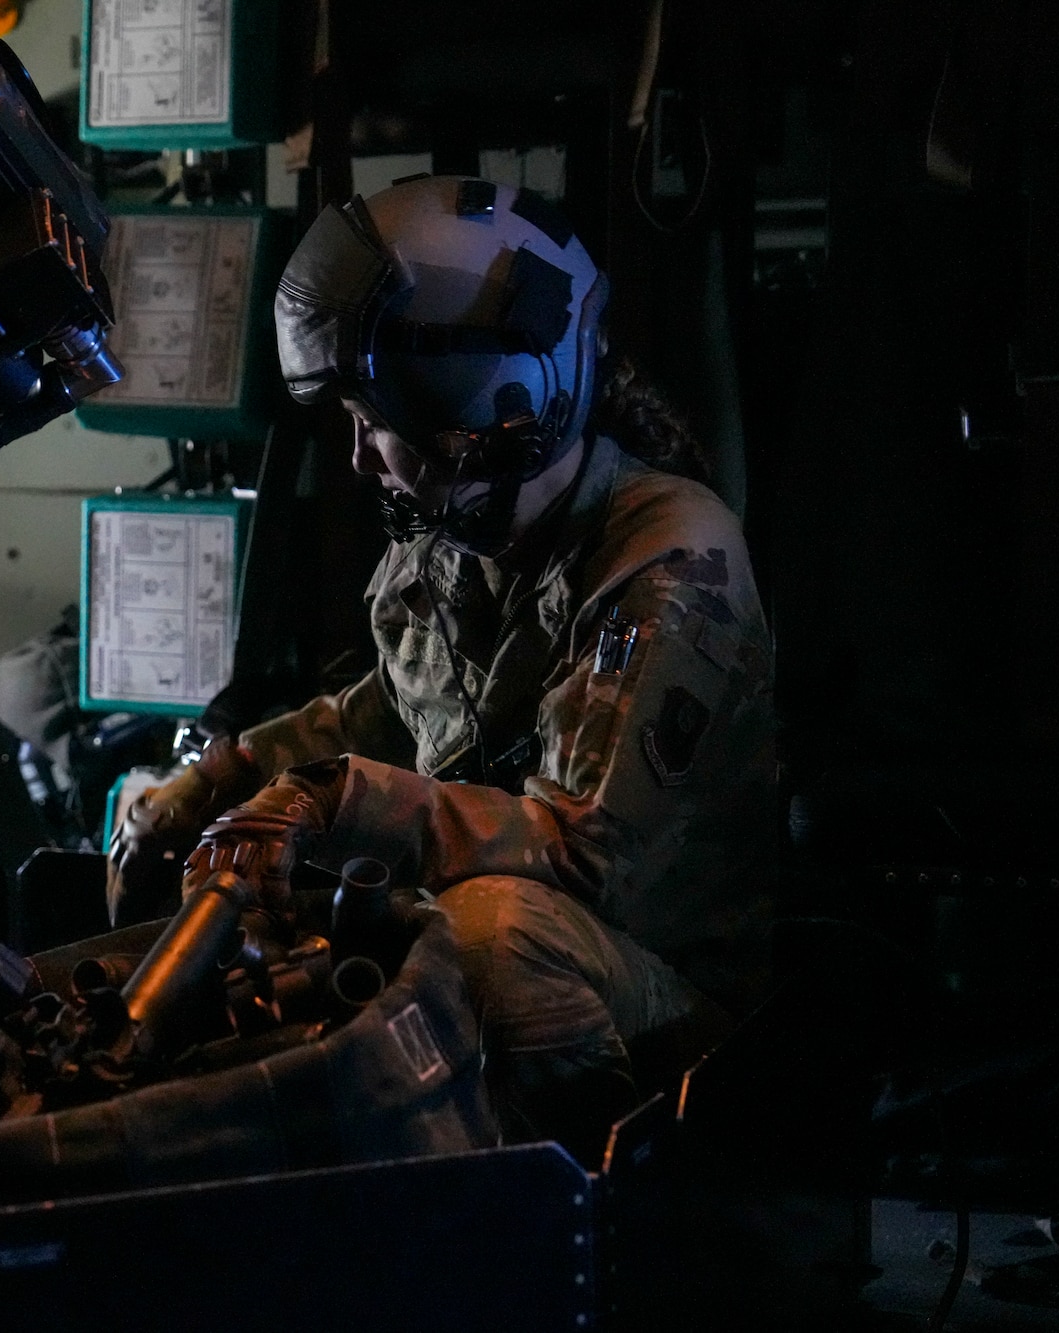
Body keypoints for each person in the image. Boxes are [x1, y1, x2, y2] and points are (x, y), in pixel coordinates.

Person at [105, 176, 777, 1160]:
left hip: (668, 1005)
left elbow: (580, 854)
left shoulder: (668, 564)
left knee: (490, 936)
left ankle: (576, 1215)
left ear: (486, 406)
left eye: (371, 420)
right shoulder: (460, 536)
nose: (358, 459)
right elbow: (389, 708)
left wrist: (331, 801)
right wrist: (219, 781)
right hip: (524, 951)